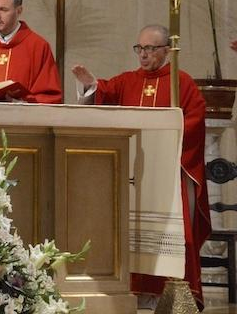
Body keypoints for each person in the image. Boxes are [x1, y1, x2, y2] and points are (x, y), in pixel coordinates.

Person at [72, 24, 210, 309]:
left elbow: (194, 123)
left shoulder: (181, 83)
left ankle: (170, 296)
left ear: (167, 51)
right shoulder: (127, 81)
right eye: (139, 48)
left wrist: (168, 139)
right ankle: (134, 292)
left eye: (150, 48)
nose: (143, 55)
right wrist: (90, 85)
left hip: (169, 176)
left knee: (174, 237)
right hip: (134, 175)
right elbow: (104, 95)